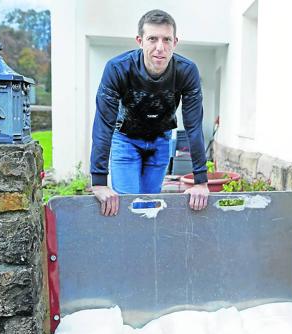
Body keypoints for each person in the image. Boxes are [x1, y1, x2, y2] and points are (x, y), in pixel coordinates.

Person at [89, 9, 210, 216]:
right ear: (140, 41)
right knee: (128, 207)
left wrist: (201, 181)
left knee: (150, 207)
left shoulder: (186, 71)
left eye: (166, 39)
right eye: (152, 39)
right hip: (125, 140)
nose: (160, 48)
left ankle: (146, 249)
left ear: (175, 42)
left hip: (160, 141)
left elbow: (193, 126)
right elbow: (104, 123)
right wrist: (99, 181)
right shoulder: (118, 68)